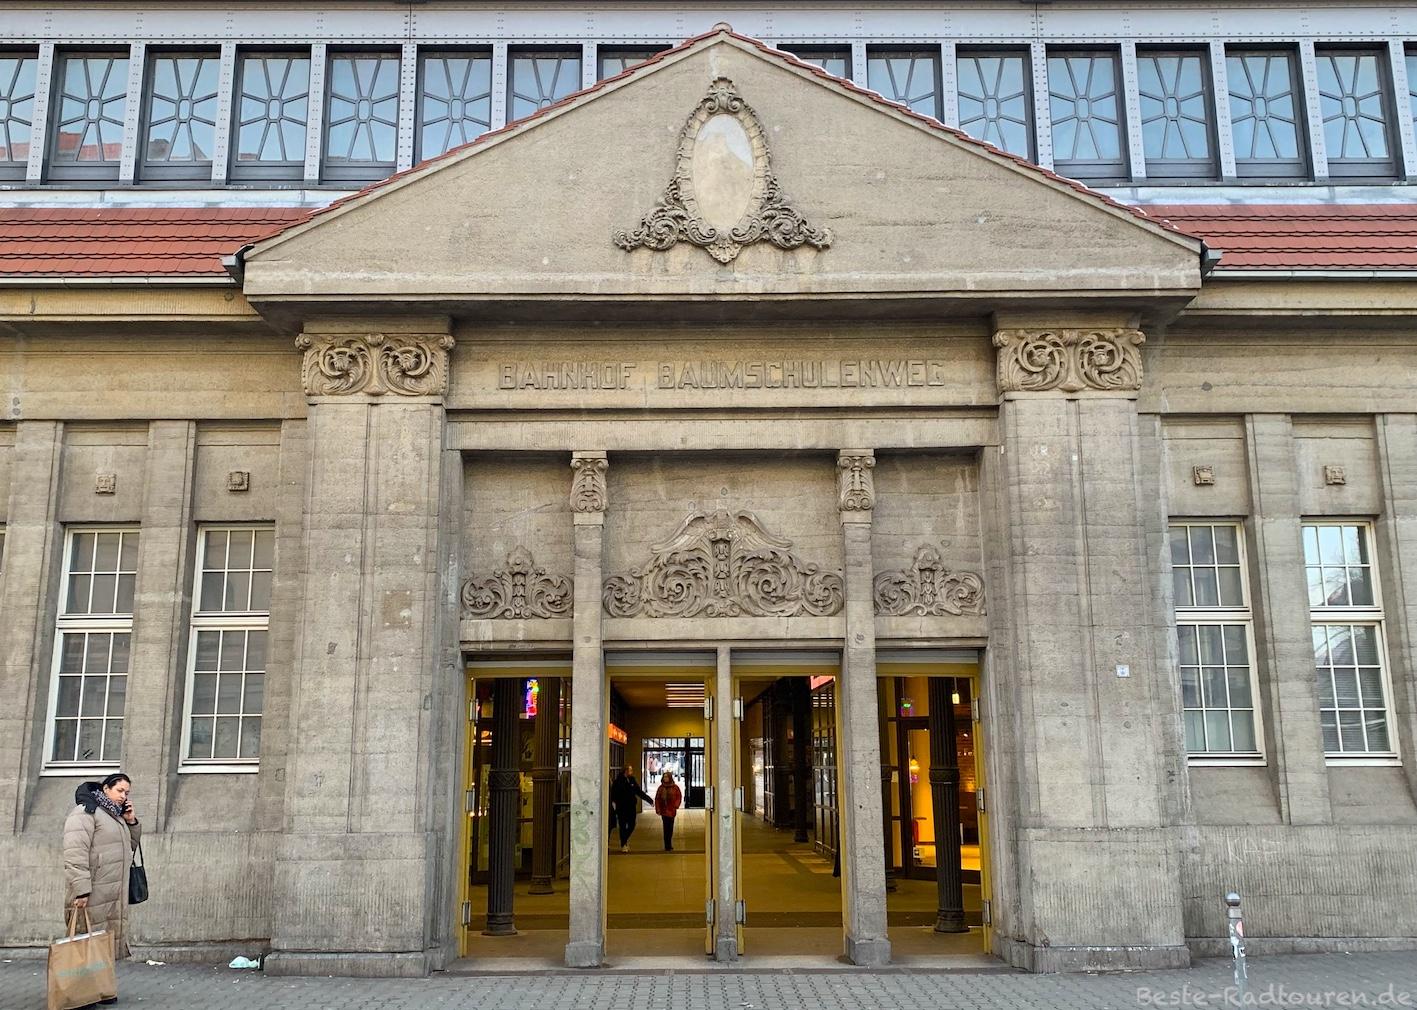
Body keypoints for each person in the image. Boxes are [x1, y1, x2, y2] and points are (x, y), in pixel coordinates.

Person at [64, 773, 141, 999]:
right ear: (106, 789)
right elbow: (74, 852)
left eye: (127, 793)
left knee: (102, 942)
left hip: (112, 892)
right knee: (84, 941)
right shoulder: (85, 812)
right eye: (120, 791)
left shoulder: (114, 816)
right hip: (92, 891)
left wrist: (131, 822)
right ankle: (78, 994)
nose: (123, 796)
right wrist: (81, 889)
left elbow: (129, 849)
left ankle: (101, 989)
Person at [608, 766, 652, 852]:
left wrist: (648, 799)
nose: (632, 771)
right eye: (630, 770)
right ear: (626, 771)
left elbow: (638, 791)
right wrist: (615, 804)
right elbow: (614, 794)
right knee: (623, 826)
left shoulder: (632, 780)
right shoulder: (618, 781)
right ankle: (623, 844)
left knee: (632, 825)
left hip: (631, 806)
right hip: (621, 807)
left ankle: (624, 839)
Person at [653, 771, 683, 851]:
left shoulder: (675, 787)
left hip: (672, 810)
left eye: (667, 777)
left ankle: (669, 843)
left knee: (670, 828)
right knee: (666, 827)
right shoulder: (661, 788)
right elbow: (657, 799)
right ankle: (667, 844)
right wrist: (658, 809)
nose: (665, 778)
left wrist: (676, 805)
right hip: (664, 810)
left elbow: (678, 796)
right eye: (664, 777)